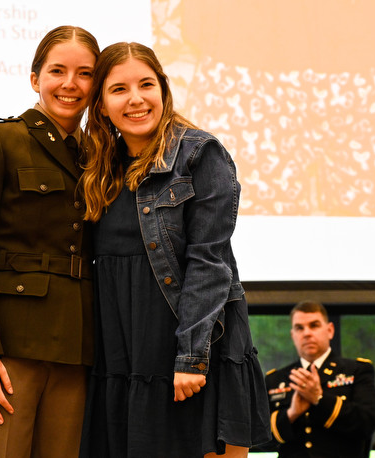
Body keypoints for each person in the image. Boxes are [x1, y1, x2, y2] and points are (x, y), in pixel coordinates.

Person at [78, 42, 271, 458]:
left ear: (163, 90)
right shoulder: (99, 167)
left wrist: (190, 357)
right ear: (101, 104)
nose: (136, 99)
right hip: (121, 353)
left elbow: (209, 262)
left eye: (147, 84)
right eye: (118, 89)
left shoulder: (200, 154)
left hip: (191, 347)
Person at [0, 26, 99, 458]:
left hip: (75, 353)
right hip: (6, 351)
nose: (70, 84)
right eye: (57, 71)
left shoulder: (98, 157)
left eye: (84, 73)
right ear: (35, 79)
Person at [264, 300, 375, 457]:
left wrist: (319, 397)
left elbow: (367, 423)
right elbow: (260, 438)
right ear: (293, 335)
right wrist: (291, 413)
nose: (307, 333)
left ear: (330, 330)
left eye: (314, 325)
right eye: (299, 328)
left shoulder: (357, 370)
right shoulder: (275, 379)